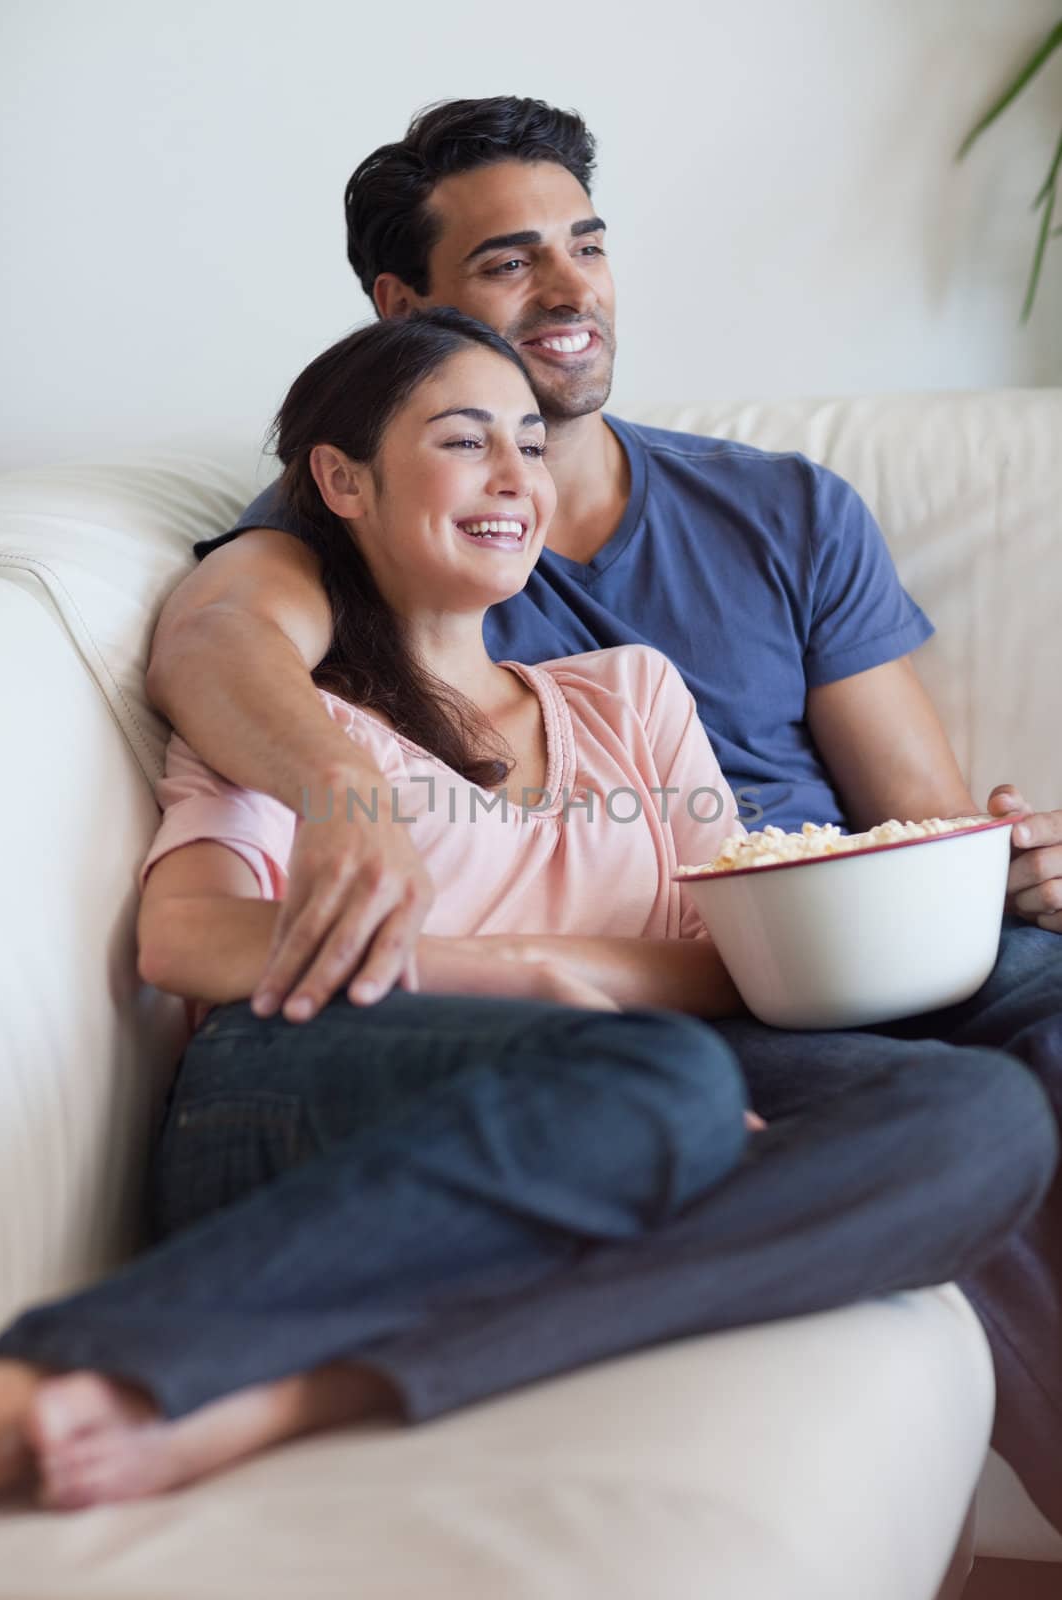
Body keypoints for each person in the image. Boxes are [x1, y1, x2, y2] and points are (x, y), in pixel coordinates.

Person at [139, 97, 1062, 1529]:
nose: (570, 290)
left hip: (779, 935)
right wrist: (345, 802)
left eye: (588, 244)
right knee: (681, 1084)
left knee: (1017, 1048)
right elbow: (211, 656)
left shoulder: (721, 579)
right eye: (512, 262)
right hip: (615, 1013)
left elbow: (913, 826)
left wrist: (996, 869)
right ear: (404, 311)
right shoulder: (323, 579)